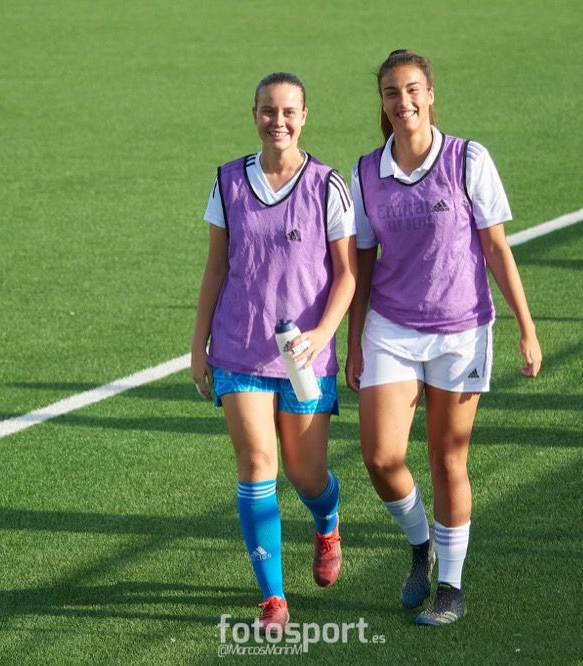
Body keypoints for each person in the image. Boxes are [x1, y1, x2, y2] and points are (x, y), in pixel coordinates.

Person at [346, 50, 542, 626]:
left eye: (412, 90)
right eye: (391, 92)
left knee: (447, 456)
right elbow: (360, 263)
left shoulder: (467, 159)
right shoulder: (365, 172)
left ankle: (451, 588)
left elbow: (496, 248)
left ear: (430, 95)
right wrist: (352, 343)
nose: (403, 102)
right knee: (381, 457)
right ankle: (420, 544)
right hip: (392, 328)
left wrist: (526, 328)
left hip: (461, 332)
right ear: (382, 102)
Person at [191, 72, 357, 629]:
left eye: (288, 111)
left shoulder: (328, 185)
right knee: (257, 464)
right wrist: (198, 345)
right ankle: (273, 599)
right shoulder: (227, 181)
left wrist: (323, 333)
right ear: (254, 114)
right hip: (239, 349)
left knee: (306, 475)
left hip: (304, 356)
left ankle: (327, 522)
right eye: (267, 110)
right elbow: (216, 267)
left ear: (304, 116)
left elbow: (347, 275)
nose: (277, 121)